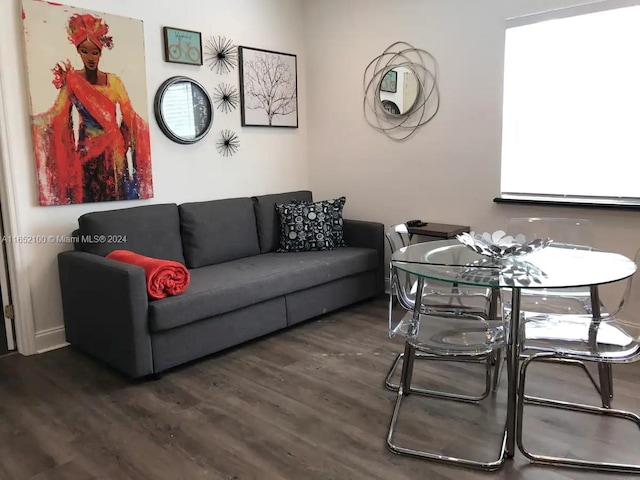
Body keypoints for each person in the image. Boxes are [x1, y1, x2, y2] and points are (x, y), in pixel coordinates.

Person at [31, 13, 153, 205]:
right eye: (84, 51)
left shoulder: (113, 82)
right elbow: (58, 114)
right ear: (78, 52)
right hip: (87, 154)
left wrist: (122, 141)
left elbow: (129, 117)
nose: (90, 57)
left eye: (94, 52)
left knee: (117, 203)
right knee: (88, 201)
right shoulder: (72, 81)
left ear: (100, 53)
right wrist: (32, 123)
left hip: (114, 153)